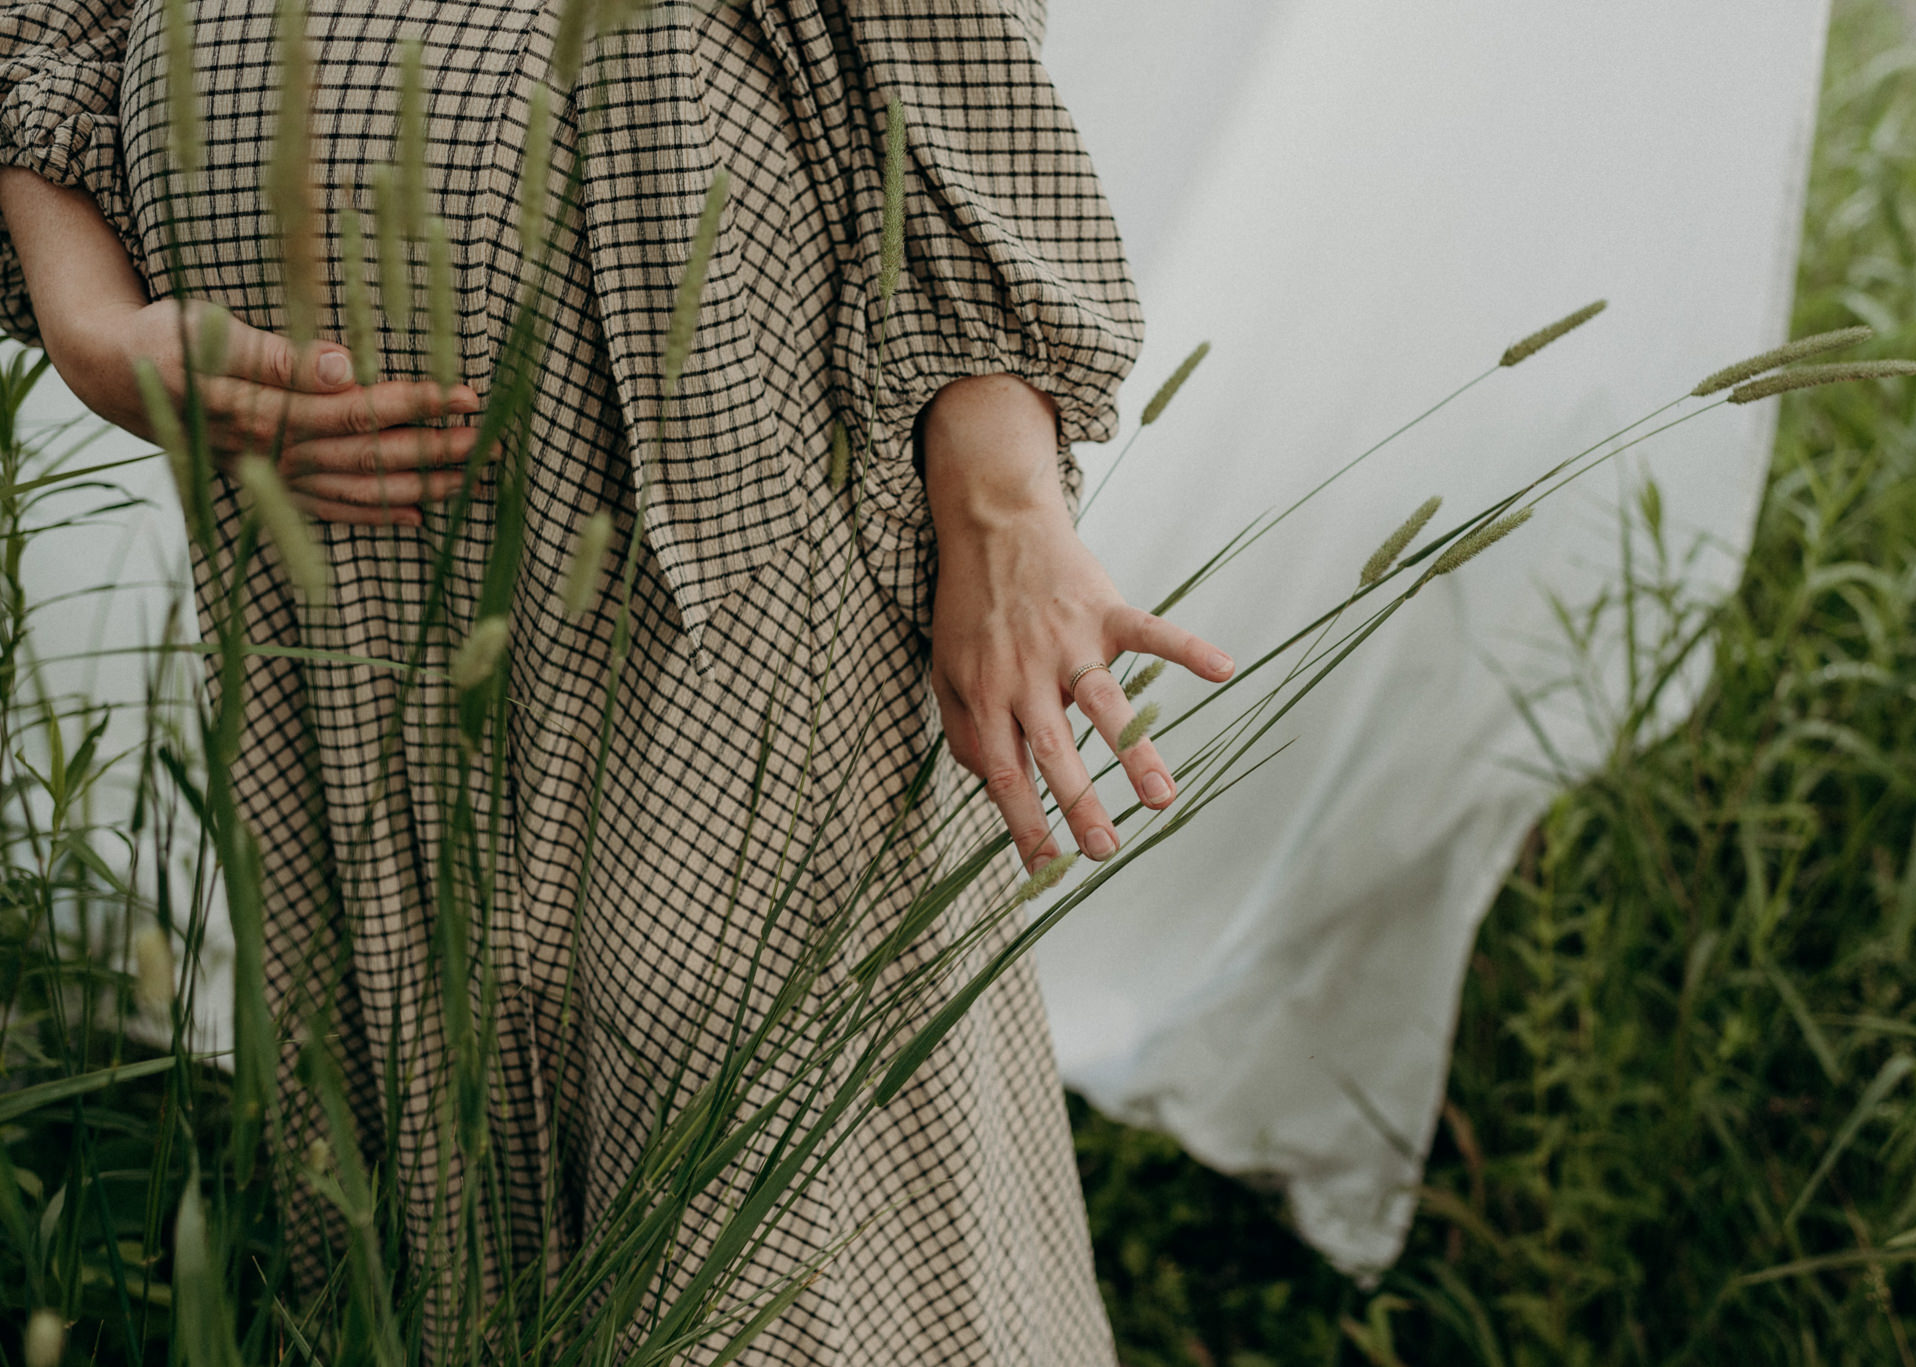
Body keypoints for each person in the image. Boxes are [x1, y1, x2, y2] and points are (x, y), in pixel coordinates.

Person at [0, 0, 1230, 1358]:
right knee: (408, 1127)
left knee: (751, 1136)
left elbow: (941, 40)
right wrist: (88, 321)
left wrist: (1000, 493)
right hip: (305, 505)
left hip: (680, 411)